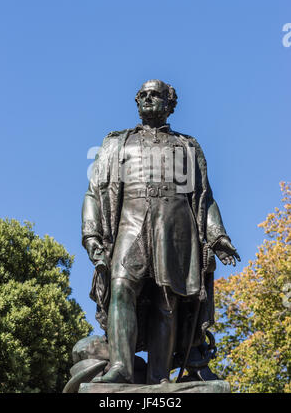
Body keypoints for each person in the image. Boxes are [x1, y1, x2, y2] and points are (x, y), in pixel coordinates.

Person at [82, 79, 240, 384]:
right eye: (142, 95)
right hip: (130, 222)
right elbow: (93, 192)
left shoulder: (186, 146)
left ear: (170, 104)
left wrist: (218, 236)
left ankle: (159, 377)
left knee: (167, 300)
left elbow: (203, 199)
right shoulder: (117, 143)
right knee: (121, 288)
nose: (147, 99)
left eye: (155, 95)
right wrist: (91, 235)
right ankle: (121, 367)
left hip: (175, 229)